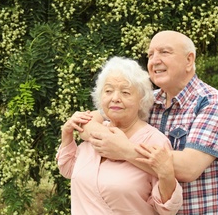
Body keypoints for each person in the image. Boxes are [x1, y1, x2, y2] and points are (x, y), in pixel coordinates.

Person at [82, 31, 218, 214]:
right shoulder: (147, 101)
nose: (154, 60)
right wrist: (96, 133)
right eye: (150, 54)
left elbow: (189, 168)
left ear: (189, 60)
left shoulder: (213, 103)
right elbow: (90, 121)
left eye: (164, 52)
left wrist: (124, 149)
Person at [56, 56, 183, 215]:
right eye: (108, 91)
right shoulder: (94, 132)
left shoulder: (154, 141)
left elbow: (167, 208)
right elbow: (68, 170)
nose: (115, 98)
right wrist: (66, 135)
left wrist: (166, 175)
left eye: (125, 92)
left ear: (141, 100)